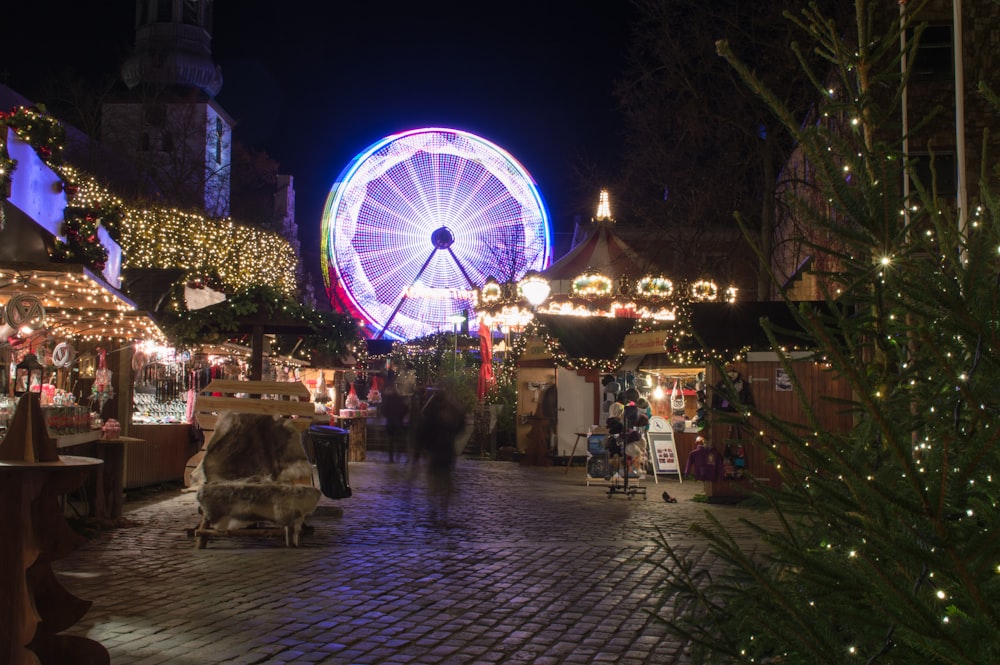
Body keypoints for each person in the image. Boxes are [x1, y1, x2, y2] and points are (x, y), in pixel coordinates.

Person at [414, 385, 467, 524]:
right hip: (442, 452)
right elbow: (460, 425)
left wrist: (421, 450)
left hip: (439, 452)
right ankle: (439, 510)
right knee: (441, 484)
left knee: (438, 484)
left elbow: (422, 432)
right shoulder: (440, 414)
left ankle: (437, 509)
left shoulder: (431, 413)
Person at [381, 382, 408, 462]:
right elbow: (405, 409)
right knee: (398, 440)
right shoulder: (400, 400)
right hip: (398, 422)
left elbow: (384, 410)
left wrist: (388, 416)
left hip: (390, 422)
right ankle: (397, 456)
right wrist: (401, 417)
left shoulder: (388, 400)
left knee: (391, 441)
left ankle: (391, 457)